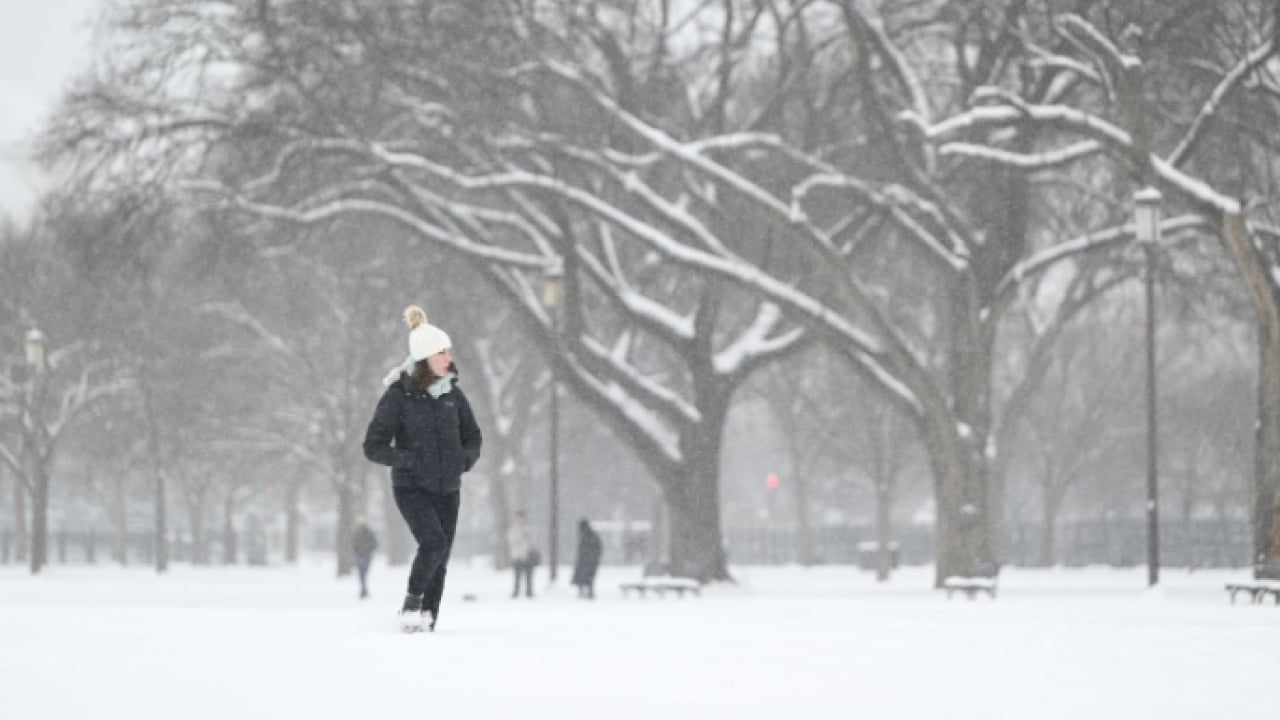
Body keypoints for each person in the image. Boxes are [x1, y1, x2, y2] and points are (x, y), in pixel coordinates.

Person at [364, 305, 482, 632]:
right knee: (433, 543)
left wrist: (464, 460)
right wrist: (409, 460)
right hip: (411, 487)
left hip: (449, 489)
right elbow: (372, 446)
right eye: (441, 352)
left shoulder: (453, 395)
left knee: (441, 558)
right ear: (424, 358)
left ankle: (427, 621)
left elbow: (473, 435)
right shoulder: (398, 396)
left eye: (449, 351)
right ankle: (412, 605)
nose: (448, 358)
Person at [507, 509, 538, 599]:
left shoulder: (530, 529)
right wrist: (521, 535)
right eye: (520, 518)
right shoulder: (513, 529)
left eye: (523, 518)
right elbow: (512, 541)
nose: (522, 520)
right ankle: (516, 592)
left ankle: (529, 592)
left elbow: (534, 542)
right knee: (517, 576)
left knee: (529, 576)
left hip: (528, 556)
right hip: (518, 556)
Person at [571, 518, 603, 599]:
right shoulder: (588, 535)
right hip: (587, 561)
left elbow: (597, 548)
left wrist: (591, 556)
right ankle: (586, 593)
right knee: (587, 578)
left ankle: (587, 593)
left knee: (587, 577)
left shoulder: (589, 536)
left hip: (588, 561)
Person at [351, 518, 378, 600]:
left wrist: (366, 549)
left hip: (364, 556)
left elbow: (374, 543)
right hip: (362, 555)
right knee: (362, 574)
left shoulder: (367, 532)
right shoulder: (358, 532)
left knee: (363, 574)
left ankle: (364, 590)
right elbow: (354, 543)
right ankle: (364, 590)